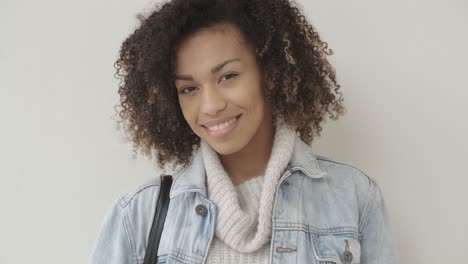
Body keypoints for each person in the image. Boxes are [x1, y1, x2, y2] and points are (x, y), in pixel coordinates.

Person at [89, 0, 398, 263]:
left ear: (270, 71)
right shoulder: (137, 216)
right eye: (189, 88)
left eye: (228, 76)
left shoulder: (354, 197)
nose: (209, 106)